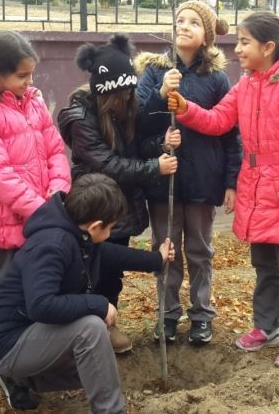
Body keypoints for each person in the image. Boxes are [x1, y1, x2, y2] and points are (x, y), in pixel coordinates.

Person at [167, 11, 279, 366]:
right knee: (264, 265)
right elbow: (219, 120)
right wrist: (187, 108)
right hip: (258, 190)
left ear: (268, 47)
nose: (236, 49)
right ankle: (266, 327)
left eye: (244, 42)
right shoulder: (248, 84)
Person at [0, 173, 175, 413]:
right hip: (7, 343)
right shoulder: (51, 244)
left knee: (97, 370)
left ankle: (25, 380)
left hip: (31, 332)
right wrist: (99, 304)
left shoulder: (74, 230)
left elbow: (110, 254)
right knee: (91, 329)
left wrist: (156, 259)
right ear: (94, 226)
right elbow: (41, 305)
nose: (111, 233)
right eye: (111, 227)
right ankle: (110, 410)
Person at [57, 33, 180, 353]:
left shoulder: (124, 106)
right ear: (106, 93)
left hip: (120, 205)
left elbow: (136, 146)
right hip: (95, 203)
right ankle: (86, 329)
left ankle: (107, 325)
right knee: (91, 271)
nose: (130, 99)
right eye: (124, 94)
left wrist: (161, 146)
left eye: (131, 92)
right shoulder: (80, 119)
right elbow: (107, 163)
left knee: (112, 270)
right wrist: (154, 167)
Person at [134, 0, 242, 345]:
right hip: (163, 178)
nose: (184, 26)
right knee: (165, 248)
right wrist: (161, 94)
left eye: (194, 22)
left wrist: (230, 182)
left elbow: (230, 132)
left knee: (199, 250)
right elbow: (137, 121)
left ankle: (200, 315)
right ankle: (167, 315)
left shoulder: (217, 79)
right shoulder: (154, 71)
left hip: (202, 179)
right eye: (180, 20)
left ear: (207, 37)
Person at [0, 31, 71, 286]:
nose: (30, 81)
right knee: (8, 288)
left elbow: (55, 151)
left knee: (43, 285)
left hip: (45, 214)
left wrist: (57, 195)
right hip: (10, 221)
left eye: (31, 74)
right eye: (22, 75)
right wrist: (40, 209)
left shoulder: (34, 102)